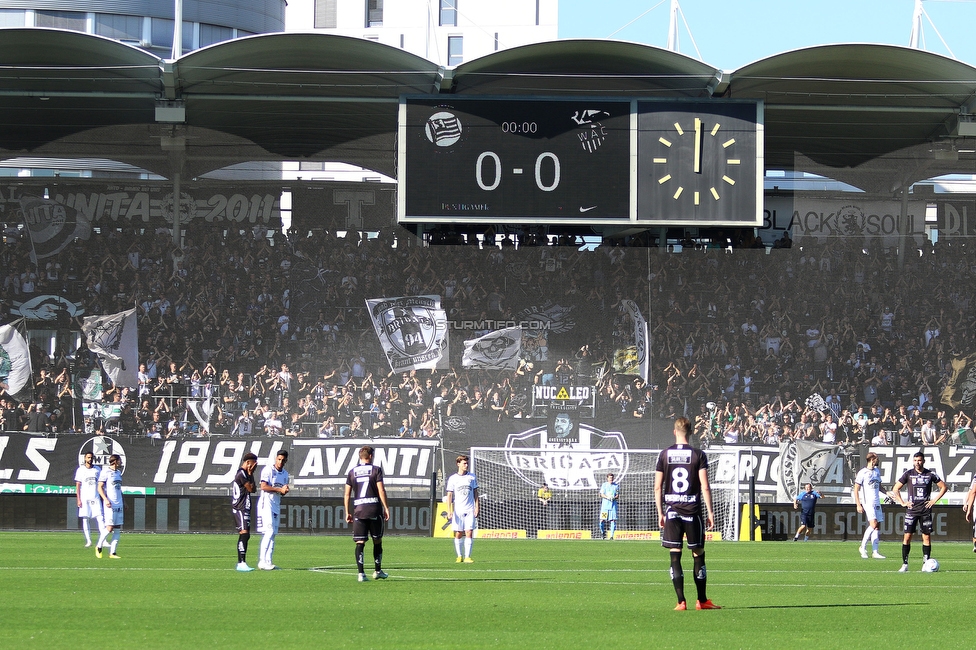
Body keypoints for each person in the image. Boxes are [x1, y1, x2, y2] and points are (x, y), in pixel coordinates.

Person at [655, 416, 720, 611]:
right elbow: (705, 486)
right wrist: (710, 512)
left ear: (674, 432)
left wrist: (660, 513)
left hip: (672, 511)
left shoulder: (664, 454)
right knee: (697, 553)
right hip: (693, 511)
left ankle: (680, 602)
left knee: (675, 555)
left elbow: (657, 487)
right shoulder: (698, 455)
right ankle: (701, 601)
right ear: (691, 433)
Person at [892, 451, 947, 572]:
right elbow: (895, 488)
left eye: (919, 460)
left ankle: (925, 563)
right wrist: (903, 503)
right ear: (913, 461)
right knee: (907, 537)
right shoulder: (908, 474)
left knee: (926, 537)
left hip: (925, 510)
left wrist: (933, 501)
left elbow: (944, 487)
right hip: (911, 510)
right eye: (915, 460)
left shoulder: (930, 474)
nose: (917, 463)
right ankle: (905, 564)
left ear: (923, 461)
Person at [344, 445, 390, 581]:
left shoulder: (352, 472)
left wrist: (347, 511)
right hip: (374, 509)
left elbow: (347, 494)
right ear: (370, 456)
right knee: (377, 540)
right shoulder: (376, 470)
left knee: (360, 542)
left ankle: (361, 574)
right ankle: (377, 570)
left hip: (358, 510)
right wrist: (386, 507)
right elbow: (381, 490)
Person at [256, 450, 290, 570]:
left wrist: (284, 491)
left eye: (283, 460)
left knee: (273, 534)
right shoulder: (268, 470)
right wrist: (279, 490)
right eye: (278, 459)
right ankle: (262, 561)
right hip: (266, 504)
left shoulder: (285, 474)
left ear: (286, 461)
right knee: (268, 532)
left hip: (276, 504)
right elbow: (263, 486)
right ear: (276, 459)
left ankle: (269, 561)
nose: (280, 462)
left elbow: (281, 492)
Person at [853, 452, 887, 559]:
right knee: (873, 524)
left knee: (877, 527)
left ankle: (875, 551)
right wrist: (858, 504)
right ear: (872, 459)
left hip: (877, 502)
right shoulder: (862, 473)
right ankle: (862, 547)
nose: (877, 461)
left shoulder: (876, 471)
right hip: (868, 502)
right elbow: (856, 489)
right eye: (876, 459)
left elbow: (879, 486)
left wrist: (887, 493)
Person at [446, 455, 479, 563]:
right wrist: (449, 510)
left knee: (469, 532)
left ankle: (467, 556)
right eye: (464, 463)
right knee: (459, 533)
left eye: (467, 463)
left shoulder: (472, 477)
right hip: (458, 510)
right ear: (458, 464)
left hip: (469, 509)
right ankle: (459, 556)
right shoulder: (453, 478)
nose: (466, 465)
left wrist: (477, 507)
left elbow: (475, 493)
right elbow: (449, 495)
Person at [231, 452, 258, 571]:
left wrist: (251, 474)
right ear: (248, 463)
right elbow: (251, 489)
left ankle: (242, 562)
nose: (254, 466)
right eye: (253, 464)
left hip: (244, 507)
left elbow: (255, 489)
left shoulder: (246, 474)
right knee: (244, 533)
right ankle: (241, 562)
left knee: (246, 535)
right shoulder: (241, 474)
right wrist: (251, 474)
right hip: (240, 508)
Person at [95, 454, 124, 559]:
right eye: (119, 461)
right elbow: (99, 487)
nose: (121, 462)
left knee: (117, 528)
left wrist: (124, 502)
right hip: (110, 504)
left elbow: (119, 489)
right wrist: (105, 499)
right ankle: (98, 546)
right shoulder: (105, 472)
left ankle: (113, 553)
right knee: (109, 527)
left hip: (119, 504)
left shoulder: (118, 473)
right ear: (115, 461)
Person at [74, 452, 103, 548]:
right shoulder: (80, 470)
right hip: (84, 498)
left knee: (100, 518)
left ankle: (104, 539)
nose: (90, 459)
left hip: (95, 497)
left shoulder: (97, 469)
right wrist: (78, 499)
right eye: (88, 457)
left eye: (91, 458)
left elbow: (101, 484)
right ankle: (88, 540)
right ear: (85, 458)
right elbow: (78, 485)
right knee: (85, 519)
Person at [598, 473, 619, 540]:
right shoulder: (604, 485)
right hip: (605, 506)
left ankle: (611, 536)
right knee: (602, 520)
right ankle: (603, 533)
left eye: (612, 478)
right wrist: (607, 497)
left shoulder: (616, 486)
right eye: (610, 478)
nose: (611, 479)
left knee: (613, 520)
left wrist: (613, 497)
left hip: (613, 506)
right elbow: (601, 494)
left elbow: (617, 495)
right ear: (607, 478)